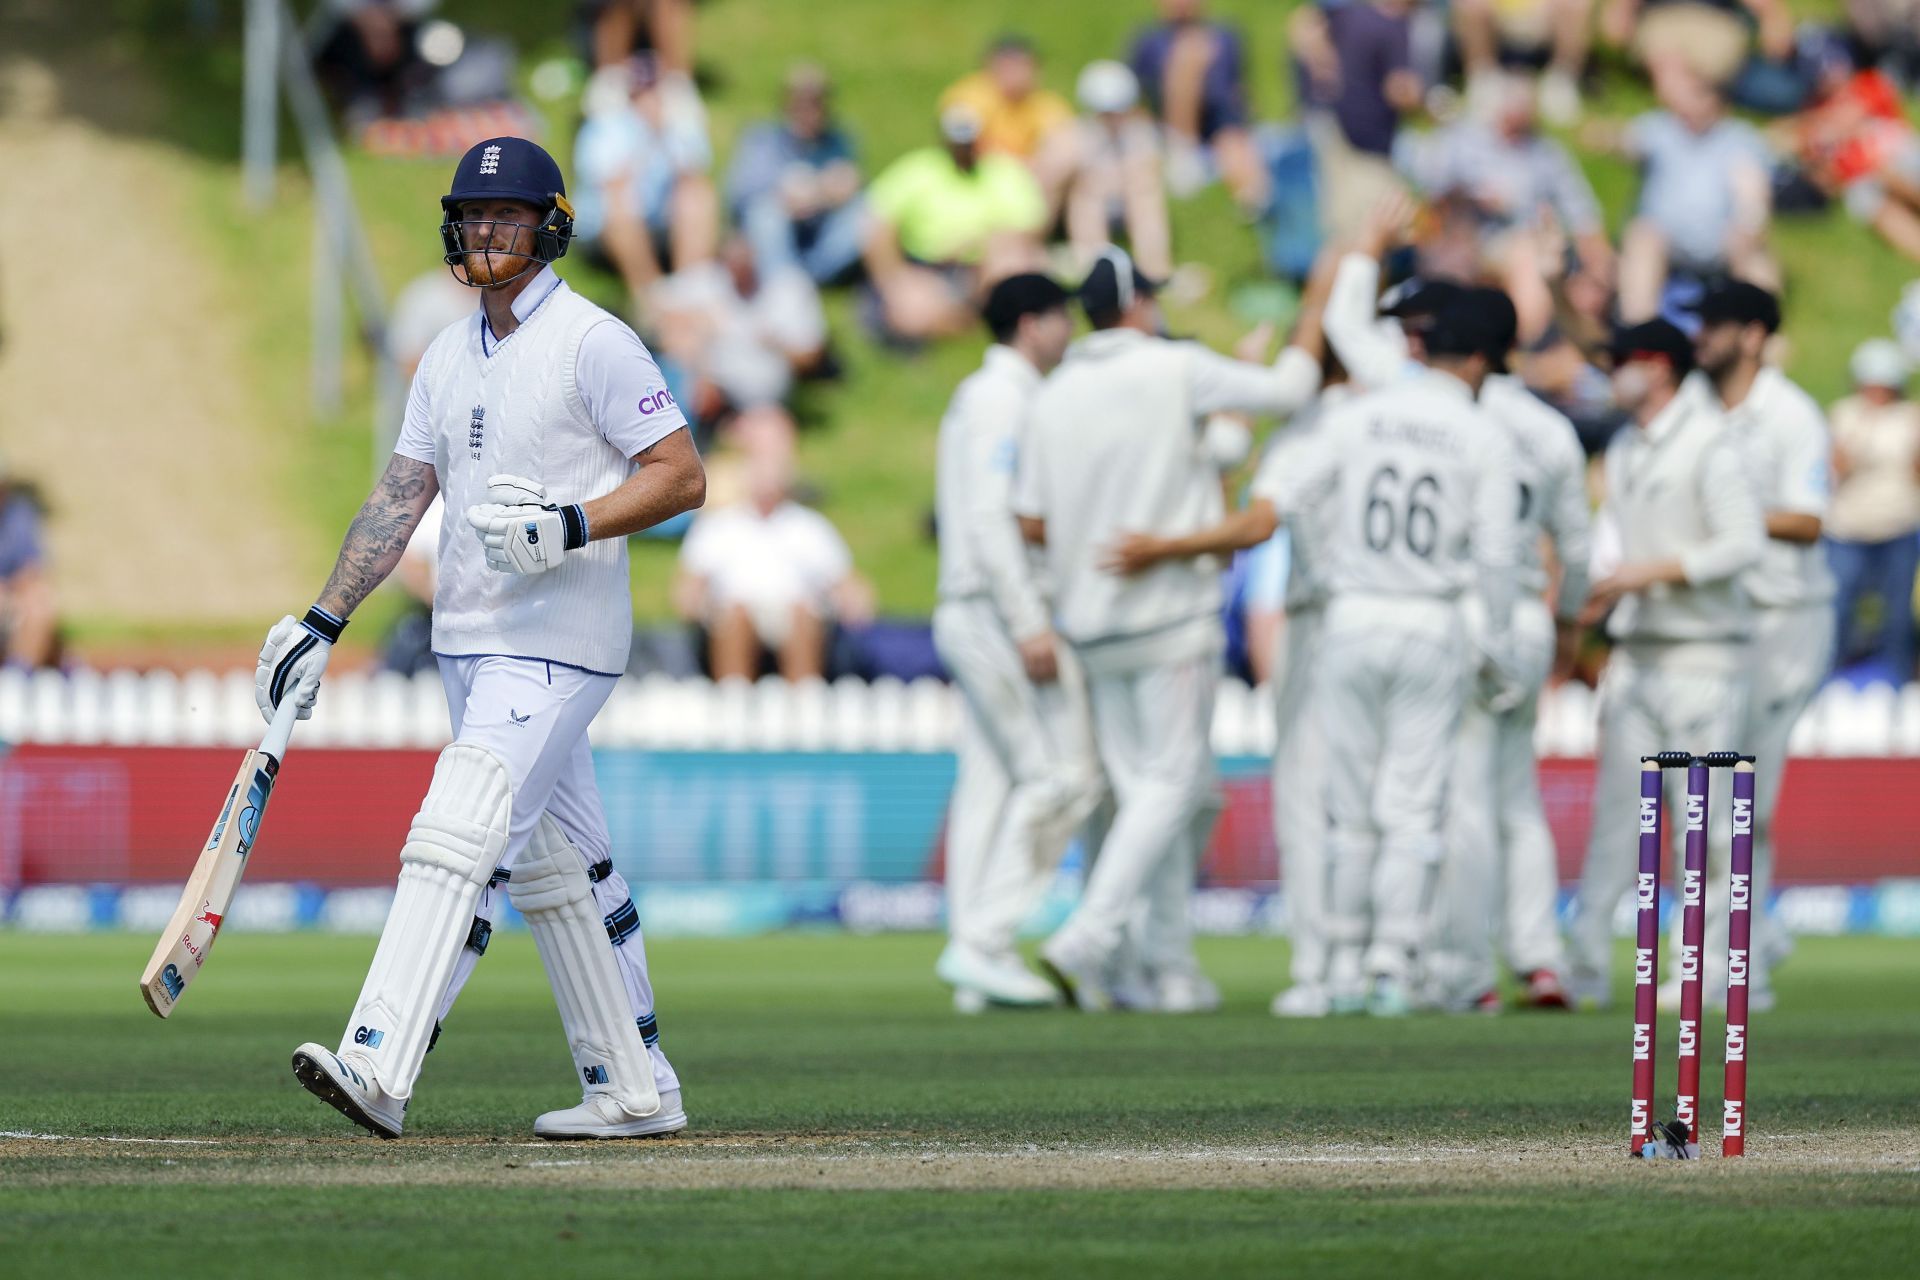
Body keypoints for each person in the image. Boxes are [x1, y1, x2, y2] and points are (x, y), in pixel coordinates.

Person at [259, 137, 707, 1140]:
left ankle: (380, 1059)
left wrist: (575, 522)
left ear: (550, 224)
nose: (483, 232)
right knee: (566, 868)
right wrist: (323, 619)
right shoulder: (451, 352)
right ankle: (635, 1086)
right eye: (469, 215)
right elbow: (398, 494)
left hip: (561, 640)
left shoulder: (595, 339)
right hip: (466, 637)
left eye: (504, 216)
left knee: (462, 828)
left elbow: (681, 472)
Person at [1014, 248, 1323, 1010]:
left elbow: (1030, 517)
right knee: (1171, 785)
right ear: (1142, 306)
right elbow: (1294, 387)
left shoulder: (1054, 394)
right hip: (1170, 615)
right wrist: (1324, 288)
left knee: (1146, 795)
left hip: (1093, 621)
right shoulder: (1174, 367)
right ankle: (1091, 937)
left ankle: (1158, 965)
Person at [1567, 320, 1763, 1009]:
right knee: (1617, 818)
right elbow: (1612, 548)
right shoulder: (1624, 447)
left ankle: (1701, 970)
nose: (1612, 369)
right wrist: (1591, 596)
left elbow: (1745, 544)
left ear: (1661, 367)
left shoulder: (1712, 442)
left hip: (1706, 658)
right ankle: (1585, 964)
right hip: (1638, 657)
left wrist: (1651, 574)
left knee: (1701, 826)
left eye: (1623, 358)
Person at [932, 274, 1106, 1011]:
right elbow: (989, 515)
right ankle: (984, 942)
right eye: (1061, 316)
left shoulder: (991, 394)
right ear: (1032, 324)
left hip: (977, 605)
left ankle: (977, 963)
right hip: (994, 609)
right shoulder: (1003, 397)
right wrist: (1030, 619)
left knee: (992, 786)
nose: (1069, 329)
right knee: (1063, 778)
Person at [1690, 282, 1832, 1010]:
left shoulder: (1792, 414)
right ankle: (1751, 937)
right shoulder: (1695, 406)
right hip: (1725, 622)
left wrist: (1731, 519)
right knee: (1717, 795)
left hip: (1788, 619)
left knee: (1749, 799)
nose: (1700, 334)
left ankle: (1741, 962)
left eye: (1714, 324)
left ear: (1751, 335)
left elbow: (1809, 521)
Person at [674, 436, 871, 681]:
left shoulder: (811, 526)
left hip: (798, 613)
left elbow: (849, 587)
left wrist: (851, 607)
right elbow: (690, 589)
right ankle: (734, 692)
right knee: (737, 615)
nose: (767, 483)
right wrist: (702, 609)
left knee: (801, 614)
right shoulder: (717, 525)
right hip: (734, 613)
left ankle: (804, 696)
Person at [862, 106, 1048, 343]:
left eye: (969, 141)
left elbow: (1031, 225)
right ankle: (967, 318)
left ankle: (975, 315)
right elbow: (876, 223)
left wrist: (983, 245)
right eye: (958, 142)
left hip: (985, 267)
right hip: (930, 270)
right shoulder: (919, 169)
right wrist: (895, 278)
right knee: (909, 312)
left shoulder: (1003, 170)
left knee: (1018, 264)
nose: (964, 149)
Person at [1609, 61, 1777, 323]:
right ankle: (1638, 329)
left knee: (1755, 256)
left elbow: (1753, 193)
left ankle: (1763, 335)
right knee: (1642, 237)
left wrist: (1749, 223)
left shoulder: (1740, 138)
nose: (1688, 102)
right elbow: (1627, 143)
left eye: (1699, 94)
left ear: (1717, 100)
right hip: (1665, 238)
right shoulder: (1659, 128)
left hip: (1722, 241)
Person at [572, 53, 718, 302]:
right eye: (643, 92)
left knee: (696, 194)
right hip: (604, 228)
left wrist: (664, 138)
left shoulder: (679, 126)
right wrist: (644, 141)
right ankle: (649, 298)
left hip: (662, 223)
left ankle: (691, 292)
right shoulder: (606, 128)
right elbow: (611, 181)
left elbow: (693, 174)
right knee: (621, 202)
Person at [1826, 338, 1920, 680]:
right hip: (1848, 529)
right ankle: (1828, 682)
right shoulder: (1845, 413)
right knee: (1838, 610)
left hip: (1899, 526)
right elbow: (1833, 471)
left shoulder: (1911, 417)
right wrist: (1859, 434)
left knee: (1897, 613)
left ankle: (1896, 684)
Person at [725, 63, 866, 287]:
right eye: (802, 102)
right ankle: (783, 281)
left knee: (865, 212)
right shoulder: (762, 139)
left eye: (816, 103)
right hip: (774, 232)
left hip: (820, 232)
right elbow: (737, 197)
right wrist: (784, 196)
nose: (809, 111)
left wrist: (832, 191)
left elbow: (849, 184)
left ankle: (808, 279)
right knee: (765, 215)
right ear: (786, 103)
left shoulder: (839, 141)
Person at [1127, 0, 1268, 210]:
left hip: (1221, 121)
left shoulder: (1225, 36)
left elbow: (1240, 88)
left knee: (1233, 143)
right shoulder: (1149, 41)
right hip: (1173, 126)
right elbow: (1133, 95)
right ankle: (1184, 152)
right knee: (1186, 58)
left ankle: (1254, 200)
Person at [1061, 61, 1173, 279]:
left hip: (1127, 206)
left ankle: (1155, 271)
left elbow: (1146, 174)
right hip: (1087, 210)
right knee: (1088, 197)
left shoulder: (1142, 135)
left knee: (1144, 196)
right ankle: (1095, 272)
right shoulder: (1074, 136)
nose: (1112, 119)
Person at [940, 34, 1076, 191]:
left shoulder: (1047, 105)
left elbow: (1064, 148)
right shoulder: (970, 97)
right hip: (981, 176)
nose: (1015, 74)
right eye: (1007, 66)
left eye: (1021, 66)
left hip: (1034, 180)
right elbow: (963, 147)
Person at [1452, 0, 1595, 125]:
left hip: (1545, 15)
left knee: (1576, 2)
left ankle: (1561, 83)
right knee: (1472, 3)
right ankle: (1484, 82)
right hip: (1497, 16)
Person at [0, 451, 57, 670]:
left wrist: (10, 590)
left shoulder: (19, 514)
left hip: (11, 597)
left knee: (38, 601)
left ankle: (19, 675)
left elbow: (32, 569)